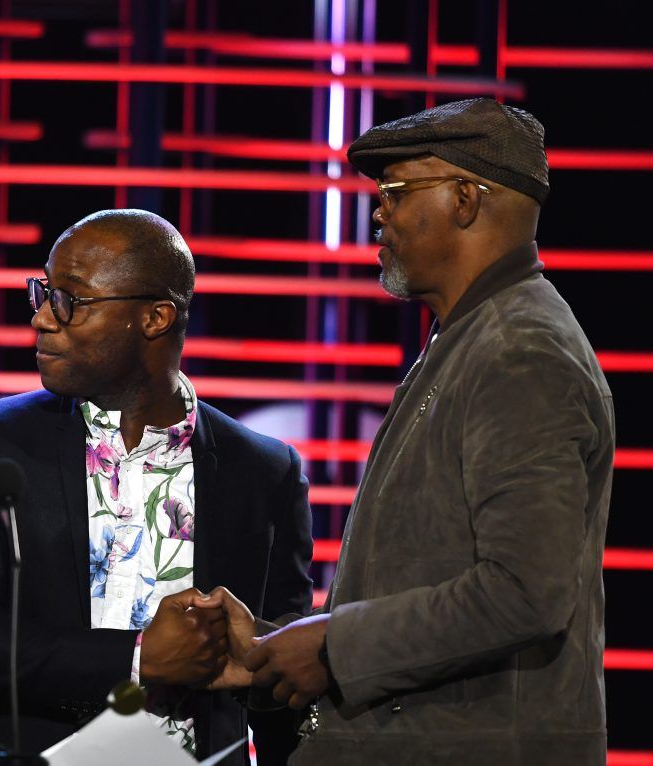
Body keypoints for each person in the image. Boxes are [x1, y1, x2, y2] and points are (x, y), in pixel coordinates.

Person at [205, 98, 614, 765]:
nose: (378, 213)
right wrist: (287, 641)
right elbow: (427, 572)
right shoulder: (474, 338)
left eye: (394, 191)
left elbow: (525, 592)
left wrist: (335, 646)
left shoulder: (518, 351)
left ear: (463, 199)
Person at [0, 208, 314, 764]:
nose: (41, 318)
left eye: (69, 300)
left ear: (155, 317)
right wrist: (136, 659)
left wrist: (258, 663)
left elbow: (281, 679)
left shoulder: (264, 471)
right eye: (41, 292)